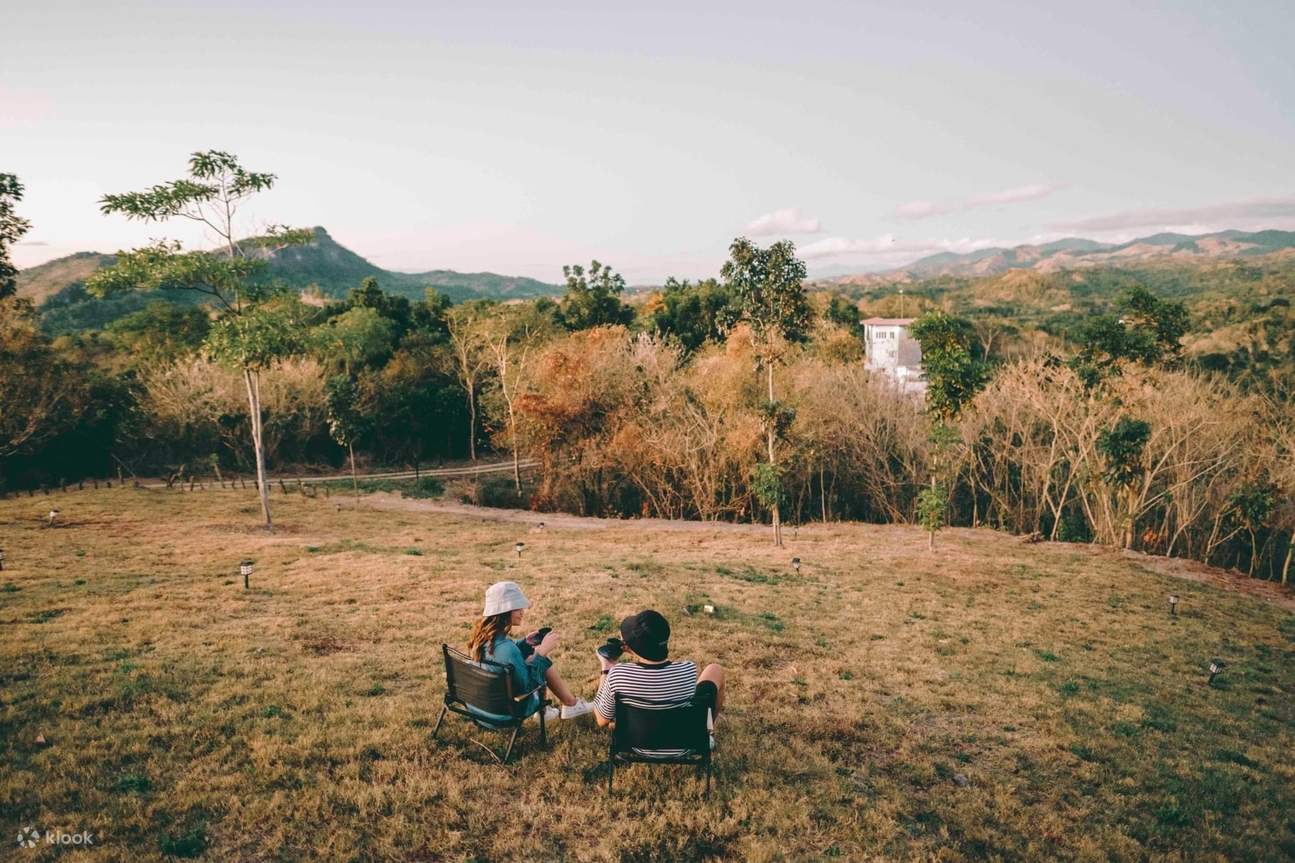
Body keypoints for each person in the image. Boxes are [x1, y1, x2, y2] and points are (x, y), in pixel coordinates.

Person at [593, 609, 725, 752]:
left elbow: (601, 720)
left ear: (630, 646)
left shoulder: (618, 674)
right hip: (685, 745)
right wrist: (639, 649)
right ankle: (707, 732)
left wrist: (606, 669)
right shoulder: (688, 670)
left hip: (635, 745)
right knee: (714, 669)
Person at [466, 581, 593, 723]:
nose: (522, 611)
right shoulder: (508, 650)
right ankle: (563, 706)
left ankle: (569, 704)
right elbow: (529, 686)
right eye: (517, 608)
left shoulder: (480, 639)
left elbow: (505, 654)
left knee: (535, 655)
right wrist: (541, 654)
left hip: (480, 709)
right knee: (538, 659)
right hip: (507, 713)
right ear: (504, 612)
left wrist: (526, 643)